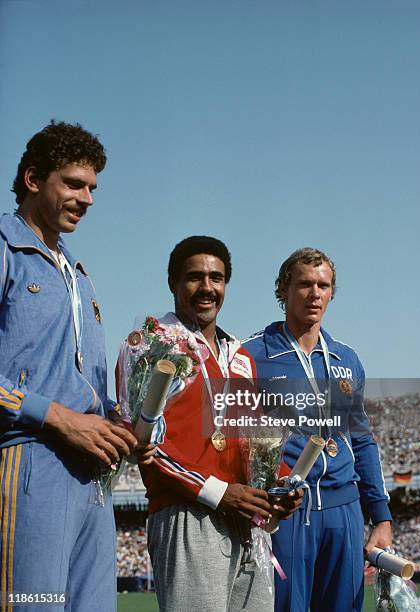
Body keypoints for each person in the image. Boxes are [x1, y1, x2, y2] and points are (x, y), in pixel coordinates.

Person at [0, 121, 137, 611]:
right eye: (74, 184)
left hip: (91, 475)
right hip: (31, 457)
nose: (88, 198)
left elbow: (86, 384)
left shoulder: (79, 275)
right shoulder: (5, 249)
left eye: (93, 188)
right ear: (34, 179)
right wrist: (57, 417)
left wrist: (120, 421)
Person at [137, 236, 301, 612]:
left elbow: (256, 439)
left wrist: (282, 482)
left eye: (217, 278)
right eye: (195, 277)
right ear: (172, 282)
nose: (207, 287)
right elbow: (147, 443)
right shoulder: (154, 344)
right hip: (190, 512)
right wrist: (219, 492)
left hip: (248, 520)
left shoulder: (240, 355)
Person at [243, 247, 392, 612]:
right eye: (305, 284)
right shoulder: (250, 355)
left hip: (344, 509)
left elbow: (362, 441)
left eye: (323, 286)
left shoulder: (347, 358)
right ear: (283, 289)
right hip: (289, 510)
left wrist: (382, 517)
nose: (315, 294)